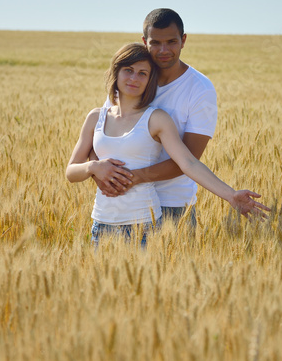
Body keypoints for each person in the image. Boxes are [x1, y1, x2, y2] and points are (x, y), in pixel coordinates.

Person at [66, 43, 263, 246]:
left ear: (150, 80)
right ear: (115, 73)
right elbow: (71, 172)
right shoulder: (96, 117)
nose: (134, 78)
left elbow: (188, 163)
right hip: (101, 226)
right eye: (128, 70)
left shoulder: (156, 119)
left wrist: (230, 195)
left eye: (142, 73)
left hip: (144, 225)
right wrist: (93, 167)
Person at [92, 8, 271, 226]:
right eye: (155, 43)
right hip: (122, 206)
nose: (163, 50)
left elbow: (188, 160)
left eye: (171, 41)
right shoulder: (133, 81)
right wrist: (99, 174)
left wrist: (131, 178)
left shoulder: (199, 89)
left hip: (172, 206)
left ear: (183, 40)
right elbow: (101, 135)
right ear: (144, 41)